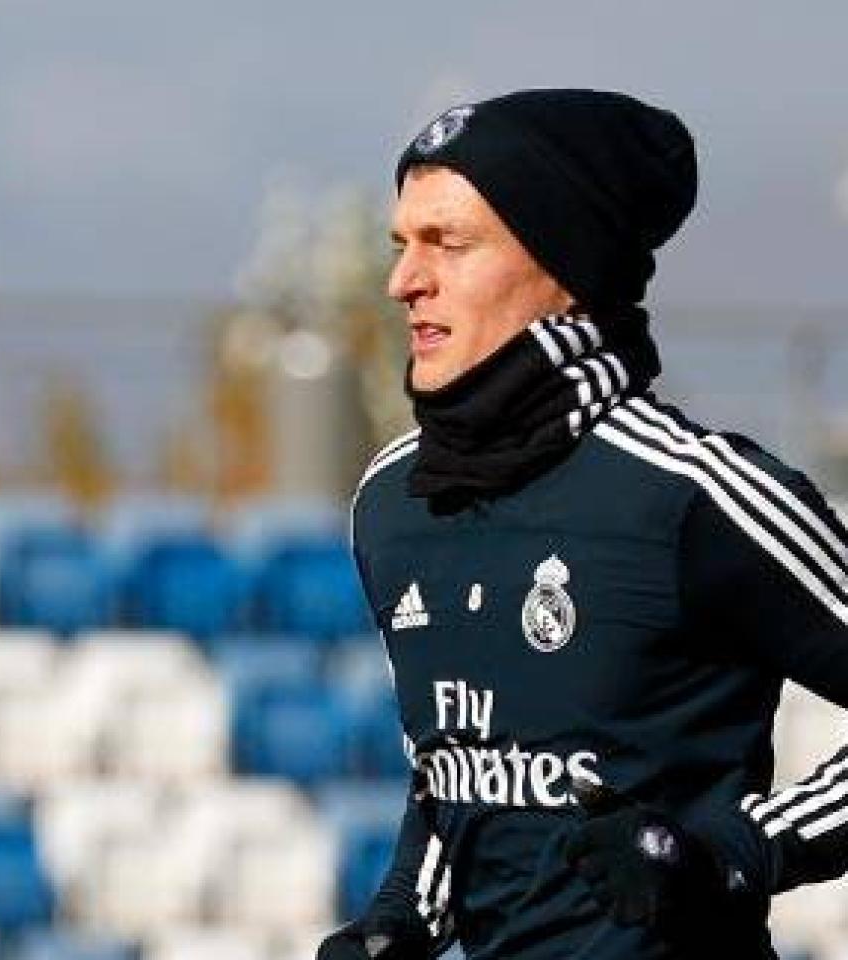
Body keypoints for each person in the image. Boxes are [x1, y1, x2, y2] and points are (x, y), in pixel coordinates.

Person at [320, 88, 848, 959]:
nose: (403, 281)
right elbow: (455, 776)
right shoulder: (390, 502)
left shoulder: (693, 492)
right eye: (402, 245)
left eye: (448, 244)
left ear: (564, 267)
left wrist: (735, 853)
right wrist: (398, 922)